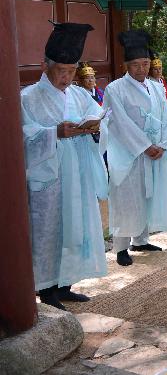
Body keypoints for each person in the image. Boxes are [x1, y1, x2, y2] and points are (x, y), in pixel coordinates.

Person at [21, 22, 109, 309]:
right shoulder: (28, 97)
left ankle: (66, 283)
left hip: (78, 169)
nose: (67, 77)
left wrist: (93, 125)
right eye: (62, 70)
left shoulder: (79, 93)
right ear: (45, 67)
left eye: (72, 72)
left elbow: (95, 113)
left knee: (78, 224)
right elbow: (23, 134)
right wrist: (55, 133)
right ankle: (46, 289)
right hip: (51, 174)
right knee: (50, 227)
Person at [102, 30, 167, 267]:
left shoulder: (156, 87)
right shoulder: (115, 89)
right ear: (126, 65)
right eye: (135, 64)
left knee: (148, 195)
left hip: (155, 151)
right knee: (127, 198)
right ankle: (121, 246)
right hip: (129, 153)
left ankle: (142, 239)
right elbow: (119, 124)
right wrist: (145, 146)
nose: (141, 69)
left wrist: (164, 146)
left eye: (145, 63)